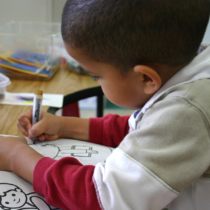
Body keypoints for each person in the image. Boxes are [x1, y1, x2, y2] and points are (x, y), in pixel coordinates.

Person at [0, 0, 210, 209]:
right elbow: (141, 128)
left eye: (96, 76)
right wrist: (64, 125)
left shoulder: (185, 110)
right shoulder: (192, 67)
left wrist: (15, 156)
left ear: (146, 78)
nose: (97, 81)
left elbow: (105, 197)